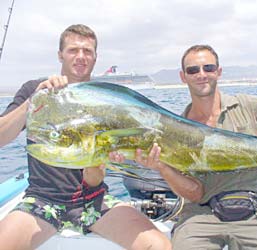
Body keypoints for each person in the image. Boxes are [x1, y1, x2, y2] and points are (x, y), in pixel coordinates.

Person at [109, 44, 257, 250]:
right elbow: (194, 194)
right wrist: (162, 166)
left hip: (255, 212)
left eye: (208, 68)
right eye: (193, 70)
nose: (202, 74)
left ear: (218, 71)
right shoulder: (174, 130)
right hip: (200, 215)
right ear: (183, 76)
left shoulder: (245, 105)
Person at [0, 24, 171, 250]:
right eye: (73, 50)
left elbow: (94, 178)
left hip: (94, 199)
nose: (81, 56)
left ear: (95, 57)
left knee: (159, 246)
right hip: (42, 200)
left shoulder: (106, 99)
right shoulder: (35, 89)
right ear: (60, 54)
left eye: (87, 51)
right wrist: (33, 101)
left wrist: (109, 159)